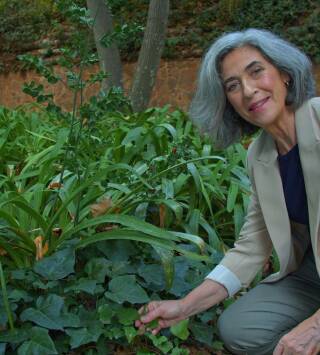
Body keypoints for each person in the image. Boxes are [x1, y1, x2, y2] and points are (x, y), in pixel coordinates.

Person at [135, 28, 320, 355]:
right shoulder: (259, 156)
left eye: (256, 71)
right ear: (228, 102)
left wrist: (315, 327)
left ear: (285, 74)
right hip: (313, 271)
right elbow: (251, 246)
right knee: (240, 328)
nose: (248, 91)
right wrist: (184, 306)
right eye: (233, 86)